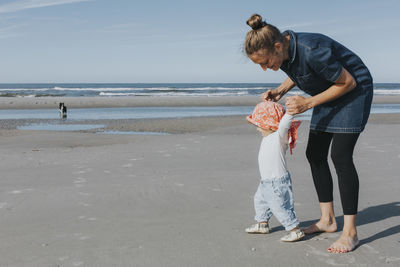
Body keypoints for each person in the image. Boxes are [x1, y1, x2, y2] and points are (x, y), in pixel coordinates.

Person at [243, 14, 373, 253]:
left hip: (353, 90)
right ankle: (328, 220)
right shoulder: (284, 50)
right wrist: (280, 90)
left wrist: (307, 103)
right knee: (315, 154)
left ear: (278, 46)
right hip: (328, 90)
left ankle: (351, 233)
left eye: (265, 61)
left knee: (341, 157)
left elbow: (348, 82)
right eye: (259, 65)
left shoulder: (311, 48)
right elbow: (298, 72)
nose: (264, 68)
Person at [245, 100, 303, 242]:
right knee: (259, 201)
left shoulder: (279, 137)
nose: (258, 129)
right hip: (265, 182)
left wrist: (289, 113)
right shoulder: (268, 137)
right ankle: (262, 224)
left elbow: (283, 125)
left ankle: (294, 229)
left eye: (259, 125)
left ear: (269, 124)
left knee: (279, 207)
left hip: (276, 182)